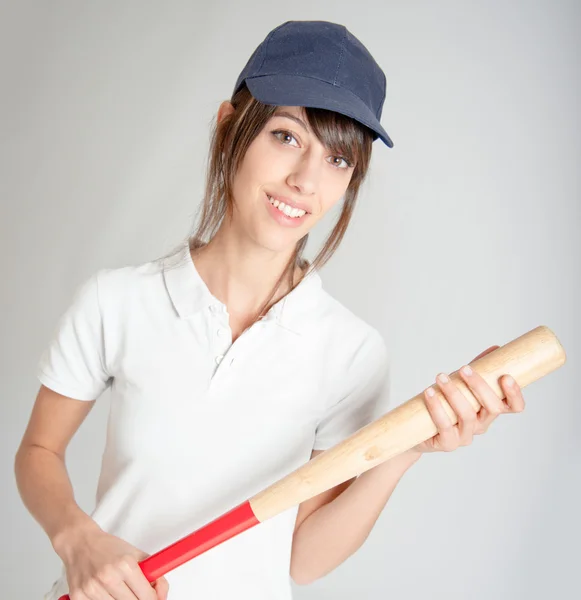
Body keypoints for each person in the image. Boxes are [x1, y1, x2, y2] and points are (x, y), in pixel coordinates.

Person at [14, 19, 525, 600]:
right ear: (230, 127)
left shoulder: (351, 353)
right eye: (287, 137)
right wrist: (79, 540)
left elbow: (303, 559)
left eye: (338, 160)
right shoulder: (117, 301)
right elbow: (38, 452)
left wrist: (406, 448)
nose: (307, 180)